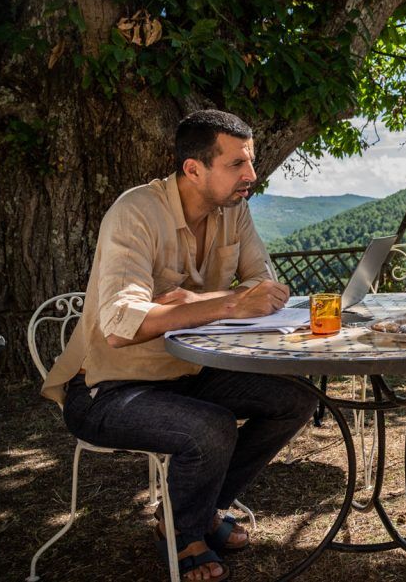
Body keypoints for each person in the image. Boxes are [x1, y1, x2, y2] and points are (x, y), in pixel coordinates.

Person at [41, 110, 317, 581]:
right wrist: (228, 305)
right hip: (106, 388)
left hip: (187, 374)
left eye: (250, 162)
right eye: (236, 165)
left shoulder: (235, 210)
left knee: (297, 399)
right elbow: (120, 324)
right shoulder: (135, 213)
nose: (251, 175)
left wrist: (207, 299)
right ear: (193, 169)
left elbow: (264, 285)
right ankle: (182, 532)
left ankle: (205, 509)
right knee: (210, 426)